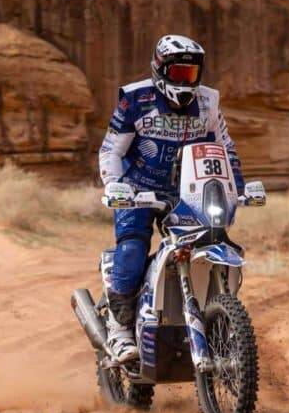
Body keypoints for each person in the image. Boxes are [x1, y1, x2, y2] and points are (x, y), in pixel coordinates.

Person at [99, 35, 245, 362]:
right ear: (160, 69)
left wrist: (238, 186)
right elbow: (111, 150)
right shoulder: (135, 99)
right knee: (133, 248)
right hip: (137, 190)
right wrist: (115, 186)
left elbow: (226, 149)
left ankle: (213, 316)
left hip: (186, 191)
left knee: (210, 242)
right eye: (179, 73)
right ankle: (119, 328)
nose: (186, 81)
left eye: (191, 74)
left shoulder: (208, 102)